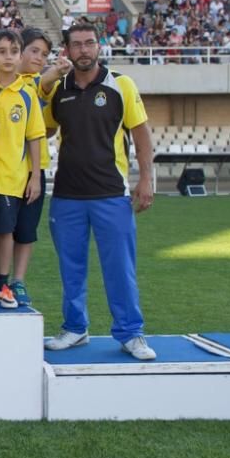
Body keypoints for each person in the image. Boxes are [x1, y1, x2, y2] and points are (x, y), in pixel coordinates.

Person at [40, 23, 156, 360]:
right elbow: (43, 128)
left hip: (111, 193)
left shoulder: (121, 84)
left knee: (120, 267)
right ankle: (75, 328)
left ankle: (131, 333)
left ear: (99, 47)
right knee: (71, 267)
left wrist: (146, 178)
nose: (84, 50)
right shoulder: (59, 88)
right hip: (66, 195)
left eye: (89, 43)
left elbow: (141, 132)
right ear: (67, 51)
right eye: (76, 45)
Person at [0, 30, 44, 308]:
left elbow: (34, 137)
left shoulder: (28, 94)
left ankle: (4, 281)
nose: (8, 57)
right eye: (2, 51)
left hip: (11, 176)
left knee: (6, 231)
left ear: (20, 56)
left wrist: (34, 177)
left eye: (14, 51)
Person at [12, 28, 54, 306]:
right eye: (34, 51)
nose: (40, 58)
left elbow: (44, 81)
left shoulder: (35, 84)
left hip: (33, 171)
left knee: (26, 231)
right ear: (19, 51)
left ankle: (18, 280)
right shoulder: (7, 84)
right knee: (0, 230)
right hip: (4, 169)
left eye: (45, 54)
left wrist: (57, 70)